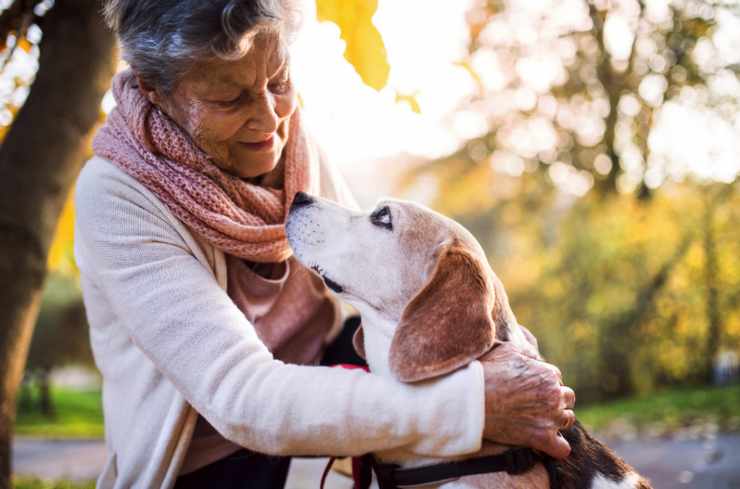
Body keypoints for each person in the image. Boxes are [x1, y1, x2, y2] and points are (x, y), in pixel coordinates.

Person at [74, 1, 576, 488]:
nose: (270, 121)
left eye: (279, 81)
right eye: (230, 100)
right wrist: (472, 404)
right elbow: (243, 399)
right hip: (215, 460)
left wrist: (515, 371)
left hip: (336, 376)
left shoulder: (291, 138)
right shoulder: (116, 195)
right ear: (154, 90)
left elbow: (374, 283)